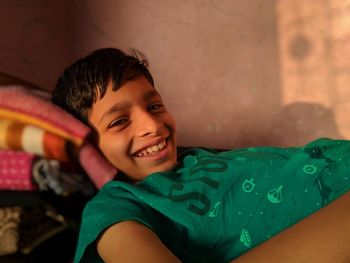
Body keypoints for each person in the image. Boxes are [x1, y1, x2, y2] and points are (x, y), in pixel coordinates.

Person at [52, 48, 350, 263]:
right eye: (119, 122)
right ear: (87, 145)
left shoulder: (196, 157)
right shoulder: (115, 205)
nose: (153, 125)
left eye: (155, 106)